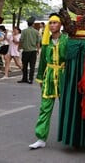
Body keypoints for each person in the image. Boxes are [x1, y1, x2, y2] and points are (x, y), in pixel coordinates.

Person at [29, 14, 68, 150]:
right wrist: (40, 78)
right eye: (50, 23)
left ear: (60, 25)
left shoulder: (67, 40)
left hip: (63, 76)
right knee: (45, 108)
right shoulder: (46, 43)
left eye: (55, 23)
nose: (52, 25)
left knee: (66, 108)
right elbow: (43, 63)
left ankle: (69, 137)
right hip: (49, 77)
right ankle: (41, 137)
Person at [20, 18, 41, 84]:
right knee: (32, 66)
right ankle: (30, 79)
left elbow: (21, 40)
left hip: (25, 51)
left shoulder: (24, 31)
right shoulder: (36, 32)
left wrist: (19, 47)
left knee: (25, 65)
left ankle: (24, 78)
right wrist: (38, 49)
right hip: (33, 51)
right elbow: (38, 42)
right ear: (32, 24)